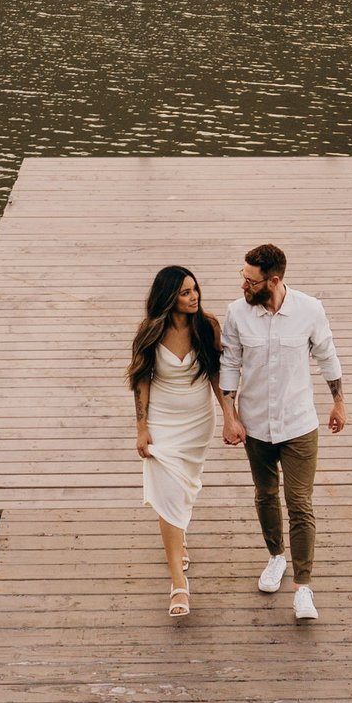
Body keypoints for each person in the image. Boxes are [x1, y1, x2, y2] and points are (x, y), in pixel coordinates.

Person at [219, 241, 344, 623]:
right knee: (265, 494)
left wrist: (339, 401)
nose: (243, 285)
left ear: (273, 281)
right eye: (242, 277)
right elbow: (230, 364)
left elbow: (326, 354)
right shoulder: (237, 314)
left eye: (250, 280)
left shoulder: (309, 310)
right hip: (255, 424)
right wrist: (229, 415)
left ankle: (303, 587)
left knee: (300, 503)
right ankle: (276, 557)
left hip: (299, 424)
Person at [128, 264, 222, 618]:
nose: (193, 296)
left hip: (198, 422)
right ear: (169, 296)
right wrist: (141, 427)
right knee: (167, 494)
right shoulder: (150, 331)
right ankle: (178, 582)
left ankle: (179, 537)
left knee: (185, 489)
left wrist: (230, 415)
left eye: (194, 289)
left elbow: (216, 374)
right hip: (163, 423)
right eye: (184, 292)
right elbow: (141, 380)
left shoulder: (208, 325)